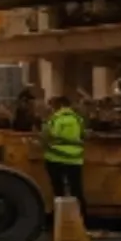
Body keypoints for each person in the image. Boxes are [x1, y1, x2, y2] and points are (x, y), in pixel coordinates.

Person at [43, 95, 87, 224]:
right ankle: (81, 219)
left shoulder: (55, 119)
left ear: (59, 105)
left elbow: (47, 137)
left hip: (55, 158)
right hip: (75, 159)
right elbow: (83, 135)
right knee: (76, 190)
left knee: (59, 191)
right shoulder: (78, 119)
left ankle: (60, 219)